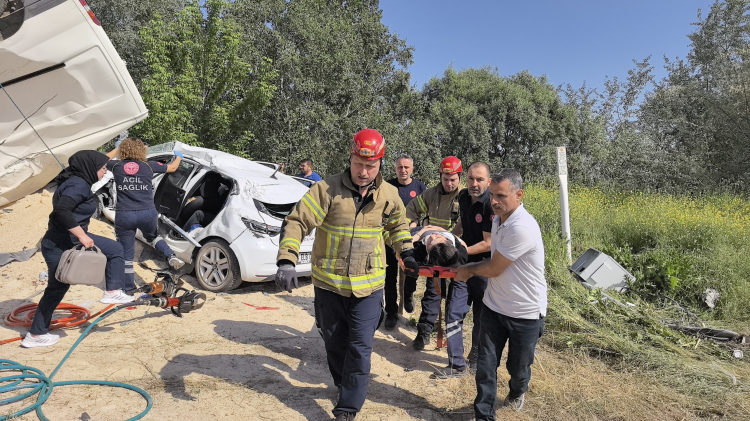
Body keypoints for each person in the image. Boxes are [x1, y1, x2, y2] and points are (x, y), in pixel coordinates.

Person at [274, 128, 419, 421]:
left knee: (360, 347)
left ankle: (347, 408)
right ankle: (343, 382)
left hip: (369, 287)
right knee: (334, 342)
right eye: (358, 164)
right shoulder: (326, 190)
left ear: (380, 163)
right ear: (350, 158)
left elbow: (398, 227)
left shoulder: (389, 195)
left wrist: (406, 252)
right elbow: (297, 222)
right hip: (329, 285)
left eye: (370, 166)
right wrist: (287, 259)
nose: (363, 171)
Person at [455, 169, 547, 418]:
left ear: (519, 195)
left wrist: (467, 270)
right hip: (494, 307)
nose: (494, 201)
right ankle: (484, 414)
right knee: (486, 366)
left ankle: (517, 391)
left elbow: (494, 268)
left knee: (517, 368)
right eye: (492, 195)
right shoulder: (498, 220)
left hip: (525, 313)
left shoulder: (521, 227)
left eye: (501, 196)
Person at [22, 151, 133, 348]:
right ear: (90, 168)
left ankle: (112, 290)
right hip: (61, 244)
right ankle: (36, 335)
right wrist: (82, 236)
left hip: (65, 241)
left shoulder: (77, 180)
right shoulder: (78, 185)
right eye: (102, 168)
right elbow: (62, 209)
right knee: (57, 288)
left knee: (113, 250)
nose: (105, 171)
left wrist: (116, 150)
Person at [430, 162, 493, 379]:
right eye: (471, 178)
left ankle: (475, 359)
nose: (474, 184)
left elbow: (489, 243)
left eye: (480, 179)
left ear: (489, 181)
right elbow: (462, 225)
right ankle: (456, 365)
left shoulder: (490, 204)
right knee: (454, 313)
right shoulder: (464, 197)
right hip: (462, 268)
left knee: (481, 318)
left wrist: (461, 250)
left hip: (484, 269)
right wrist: (447, 238)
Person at [107, 138, 185, 289]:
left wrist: (116, 150)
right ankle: (170, 255)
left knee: (126, 256)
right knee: (153, 237)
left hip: (125, 214)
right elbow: (173, 168)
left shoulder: (116, 165)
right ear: (142, 150)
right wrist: (179, 157)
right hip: (147, 212)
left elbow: (100, 161)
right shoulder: (149, 166)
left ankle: (129, 290)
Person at [405, 156, 463, 351]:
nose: (449, 183)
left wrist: (450, 239)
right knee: (430, 288)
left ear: (459, 177)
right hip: (431, 246)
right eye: (445, 179)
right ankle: (423, 331)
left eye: (453, 179)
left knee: (451, 296)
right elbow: (412, 209)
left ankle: (447, 335)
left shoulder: (464, 197)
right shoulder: (431, 194)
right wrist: (413, 226)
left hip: (454, 251)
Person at [383, 154, 427, 329]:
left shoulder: (420, 187)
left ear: (412, 169)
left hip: (411, 239)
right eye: (400, 167)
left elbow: (424, 212)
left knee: (411, 270)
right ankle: (391, 313)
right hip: (390, 238)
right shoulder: (387, 186)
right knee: (390, 277)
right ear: (395, 169)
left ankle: (408, 294)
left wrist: (415, 227)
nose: (403, 170)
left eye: (406, 167)